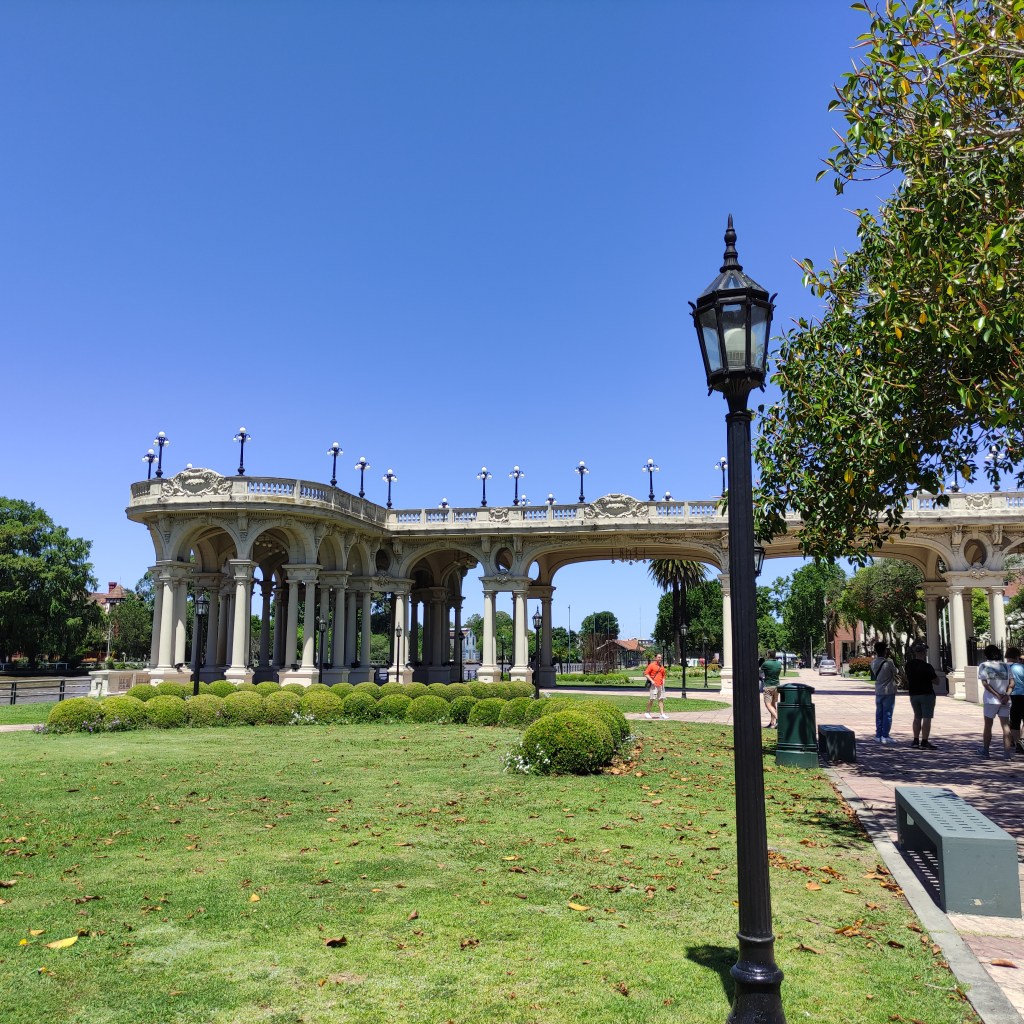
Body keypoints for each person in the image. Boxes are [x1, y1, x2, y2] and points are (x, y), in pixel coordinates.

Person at [979, 643, 1012, 758]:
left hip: (991, 700)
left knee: (988, 725)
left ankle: (986, 750)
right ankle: (1007, 753)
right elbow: (1012, 683)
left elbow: (985, 684)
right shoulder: (1006, 666)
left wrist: (997, 695)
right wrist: (1006, 695)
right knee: (1005, 726)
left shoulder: (984, 665)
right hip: (1005, 700)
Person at [905, 641, 937, 749]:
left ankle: (915, 740)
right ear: (923, 653)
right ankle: (924, 741)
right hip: (926, 694)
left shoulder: (908, 665)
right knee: (927, 717)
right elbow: (936, 680)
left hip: (914, 694)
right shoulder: (927, 666)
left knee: (917, 717)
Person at [870, 640, 898, 744]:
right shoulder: (888, 662)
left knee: (879, 713)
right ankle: (885, 735)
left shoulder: (873, 662)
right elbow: (896, 672)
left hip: (878, 690)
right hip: (888, 690)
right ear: (885, 651)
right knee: (887, 713)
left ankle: (878, 734)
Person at [1006, 646, 1024, 755]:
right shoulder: (1022, 667)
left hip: (1011, 696)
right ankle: (1022, 740)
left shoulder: (1005, 668)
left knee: (1014, 720)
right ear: (1017, 656)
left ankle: (1017, 743)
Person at [761, 650, 782, 729]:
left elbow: (760, 671)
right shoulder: (779, 663)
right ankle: (772, 723)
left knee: (768, 705)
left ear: (769, 654)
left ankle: (778, 719)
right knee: (773, 705)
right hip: (777, 686)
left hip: (768, 686)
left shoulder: (766, 663)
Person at [643, 653, 667, 720]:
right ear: (655, 658)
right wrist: (652, 681)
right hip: (654, 685)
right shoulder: (651, 665)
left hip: (660, 685)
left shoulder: (662, 666)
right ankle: (647, 713)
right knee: (652, 699)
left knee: (661, 699)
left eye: (661, 657)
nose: (660, 659)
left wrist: (663, 683)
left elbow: (663, 676)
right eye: (658, 657)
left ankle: (662, 714)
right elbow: (646, 674)